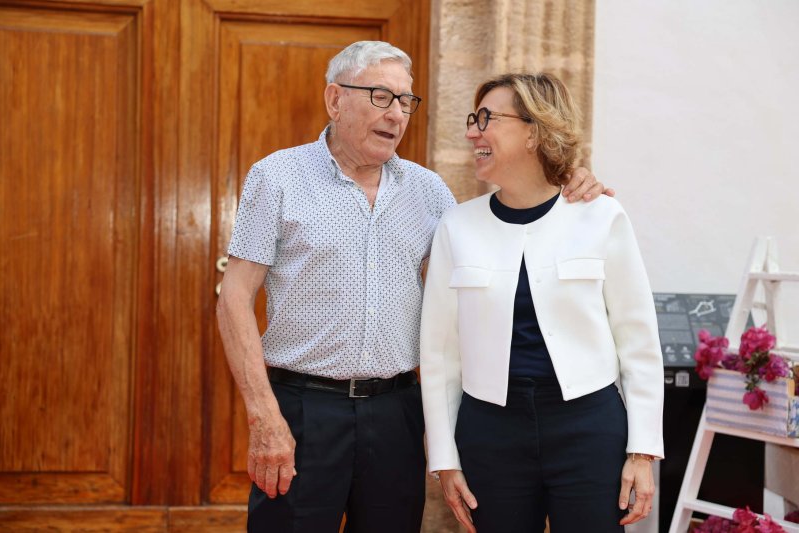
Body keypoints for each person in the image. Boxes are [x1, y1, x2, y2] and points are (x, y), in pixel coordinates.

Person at [217, 42, 605, 533]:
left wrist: (568, 179)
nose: (397, 114)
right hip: (303, 410)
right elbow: (234, 297)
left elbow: (495, 241)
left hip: (397, 413)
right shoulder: (277, 177)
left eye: (406, 101)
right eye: (381, 96)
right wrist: (263, 416)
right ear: (335, 100)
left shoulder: (429, 191)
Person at [420, 72, 664, 533]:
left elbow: (638, 341)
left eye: (487, 118)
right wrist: (445, 459)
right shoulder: (457, 226)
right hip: (490, 431)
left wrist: (642, 452)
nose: (473, 132)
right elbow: (439, 357)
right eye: (473, 119)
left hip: (588, 427)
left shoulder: (600, 216)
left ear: (534, 131)